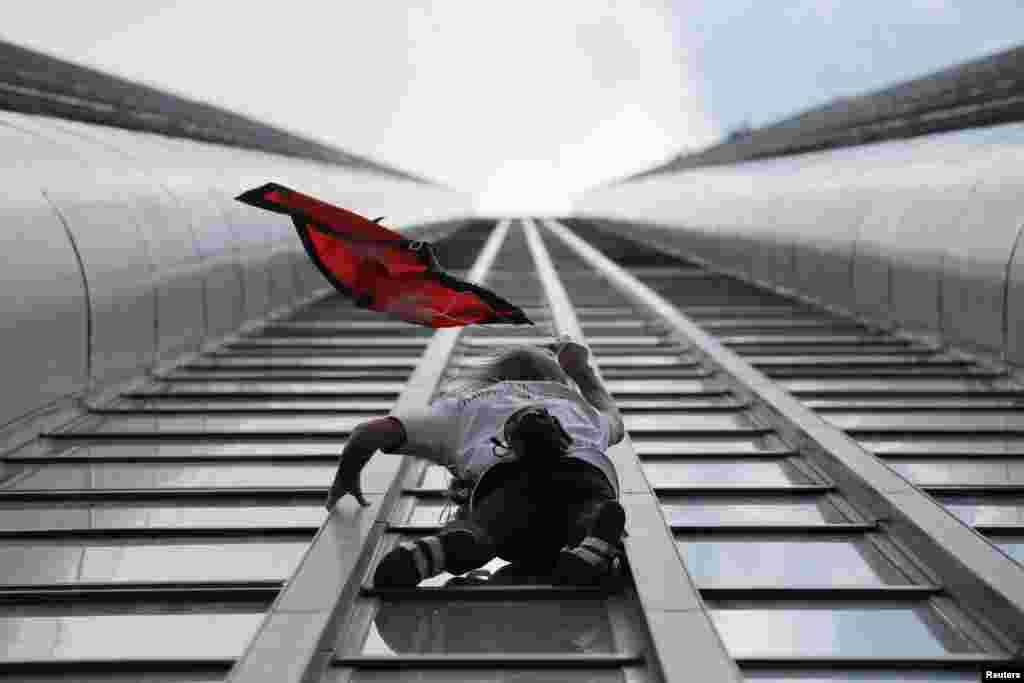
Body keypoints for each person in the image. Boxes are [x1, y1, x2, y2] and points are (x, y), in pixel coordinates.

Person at [325, 337, 627, 587]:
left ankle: (449, 547)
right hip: (581, 475)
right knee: (587, 510)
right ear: (557, 380)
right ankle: (593, 540)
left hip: (507, 486)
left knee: (484, 531)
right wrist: (581, 370)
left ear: (492, 376)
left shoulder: (464, 407)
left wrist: (346, 475)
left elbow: (370, 432)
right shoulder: (575, 406)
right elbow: (614, 418)